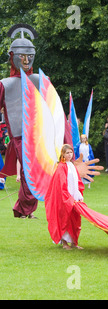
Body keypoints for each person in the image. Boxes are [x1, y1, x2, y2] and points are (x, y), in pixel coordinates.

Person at [0, 25, 39, 218]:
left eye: (29, 56)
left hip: (38, 135)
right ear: (13, 57)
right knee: (28, 172)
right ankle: (25, 209)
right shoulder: (5, 85)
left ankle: (24, 209)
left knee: (33, 172)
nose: (26, 60)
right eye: (21, 56)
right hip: (18, 136)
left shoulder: (40, 80)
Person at [44, 144, 84, 250]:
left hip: (73, 197)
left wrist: (78, 195)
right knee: (64, 219)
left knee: (75, 219)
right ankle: (65, 243)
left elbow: (77, 182)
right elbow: (61, 185)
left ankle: (74, 243)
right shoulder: (61, 167)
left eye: (71, 152)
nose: (70, 155)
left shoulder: (72, 166)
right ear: (63, 154)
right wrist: (68, 198)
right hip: (64, 199)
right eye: (67, 153)